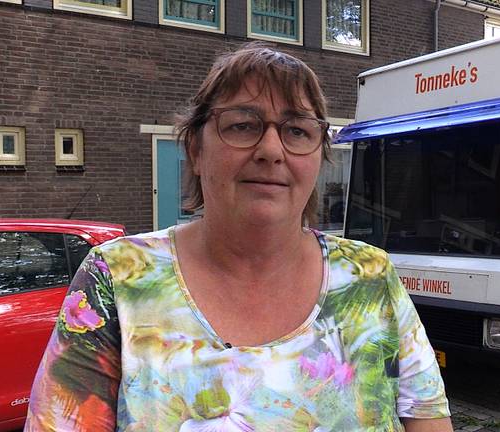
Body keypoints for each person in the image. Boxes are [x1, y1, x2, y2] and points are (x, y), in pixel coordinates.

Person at [24, 43, 452, 431]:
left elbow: (427, 418)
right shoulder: (116, 280)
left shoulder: (370, 276)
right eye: (244, 125)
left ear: (319, 157)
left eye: (297, 130)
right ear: (195, 148)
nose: (271, 149)